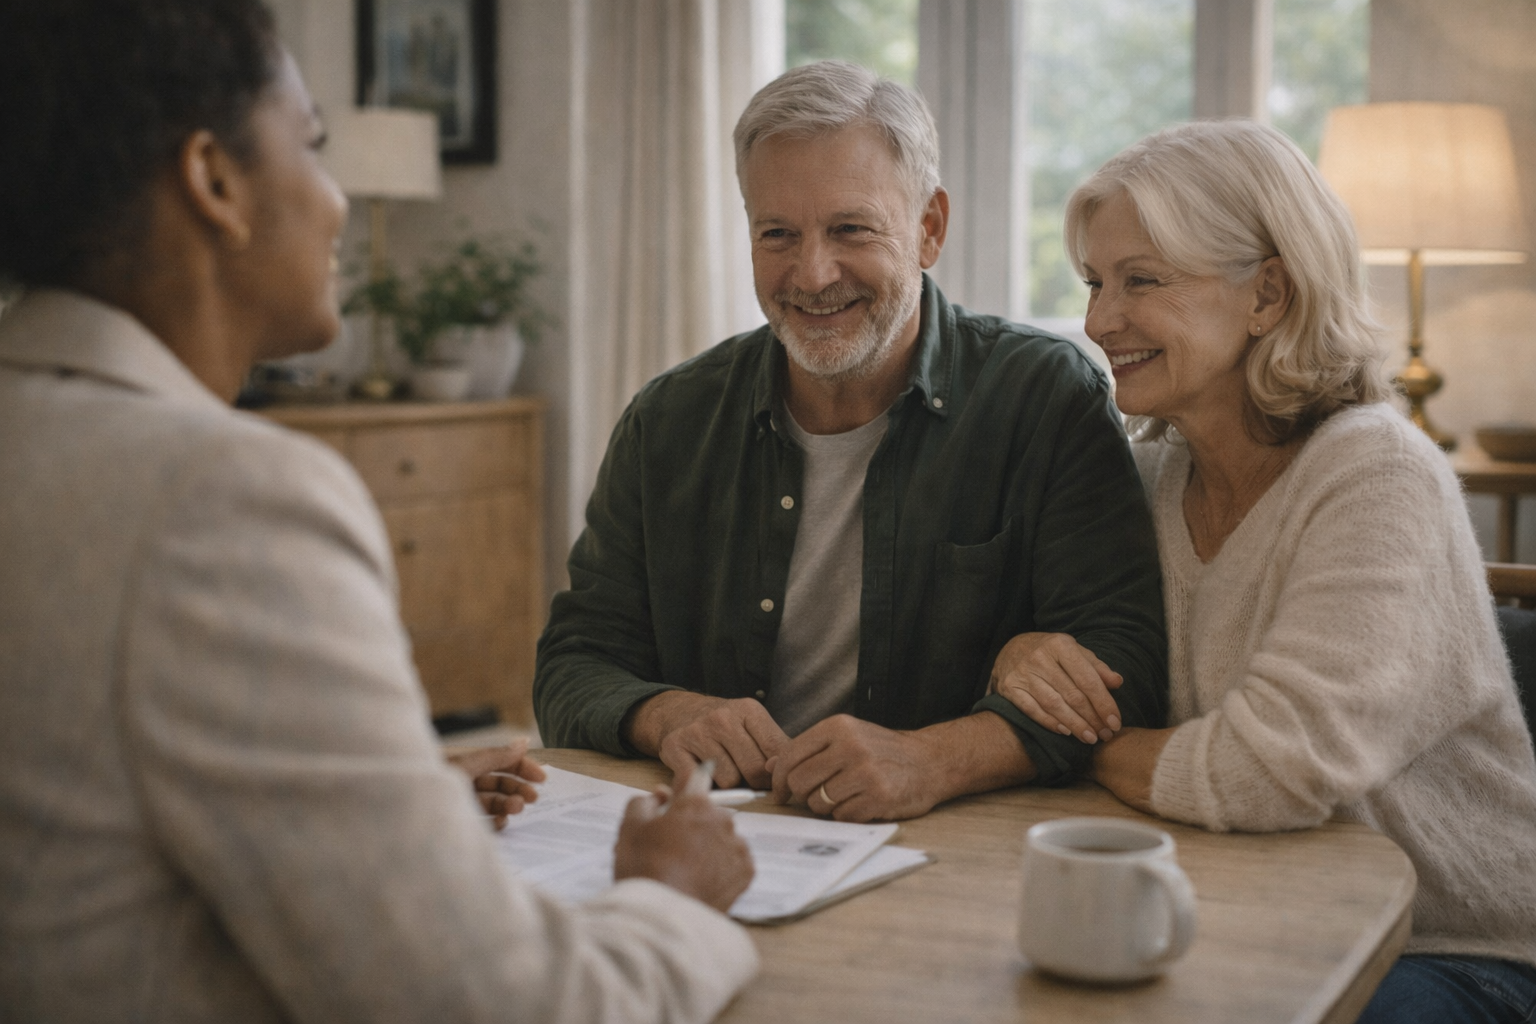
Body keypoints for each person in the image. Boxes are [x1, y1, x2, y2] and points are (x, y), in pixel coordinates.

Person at [0, 3, 757, 1021]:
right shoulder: (222, 500)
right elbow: (508, 1007)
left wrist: (390, 804)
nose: (338, 201)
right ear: (214, 181)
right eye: (312, 145)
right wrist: (673, 896)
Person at [992, 119, 1536, 1022]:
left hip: (1449, 948)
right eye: (1094, 283)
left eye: (1142, 280)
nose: (1097, 321)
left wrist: (1080, 746)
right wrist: (1020, 654)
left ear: (1269, 294)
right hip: (1245, 908)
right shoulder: (1146, 477)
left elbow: (1269, 771)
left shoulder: (1378, 474)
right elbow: (1047, 669)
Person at [533, 60, 1168, 823]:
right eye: (777, 234)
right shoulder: (667, 420)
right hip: (721, 837)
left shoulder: (1045, 398)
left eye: (850, 229)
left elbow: (1125, 665)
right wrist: (665, 714)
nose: (812, 274)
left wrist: (936, 758)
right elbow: (572, 663)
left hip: (955, 841)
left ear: (929, 228)